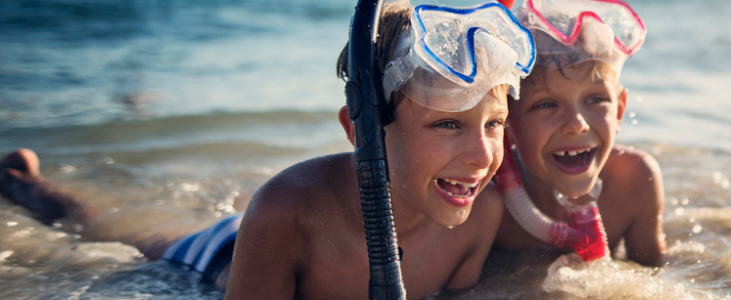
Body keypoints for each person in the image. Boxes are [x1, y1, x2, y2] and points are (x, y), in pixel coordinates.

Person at [0, 1, 537, 299]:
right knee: (116, 231)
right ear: (361, 130)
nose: (480, 154)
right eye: (448, 124)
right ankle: (28, 185)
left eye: (493, 123)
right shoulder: (287, 209)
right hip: (219, 257)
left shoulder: (480, 217)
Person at [492, 0, 666, 267]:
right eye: (546, 105)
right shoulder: (490, 208)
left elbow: (656, 272)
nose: (577, 124)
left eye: (596, 99)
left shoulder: (634, 182)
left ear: (619, 111)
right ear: (506, 122)